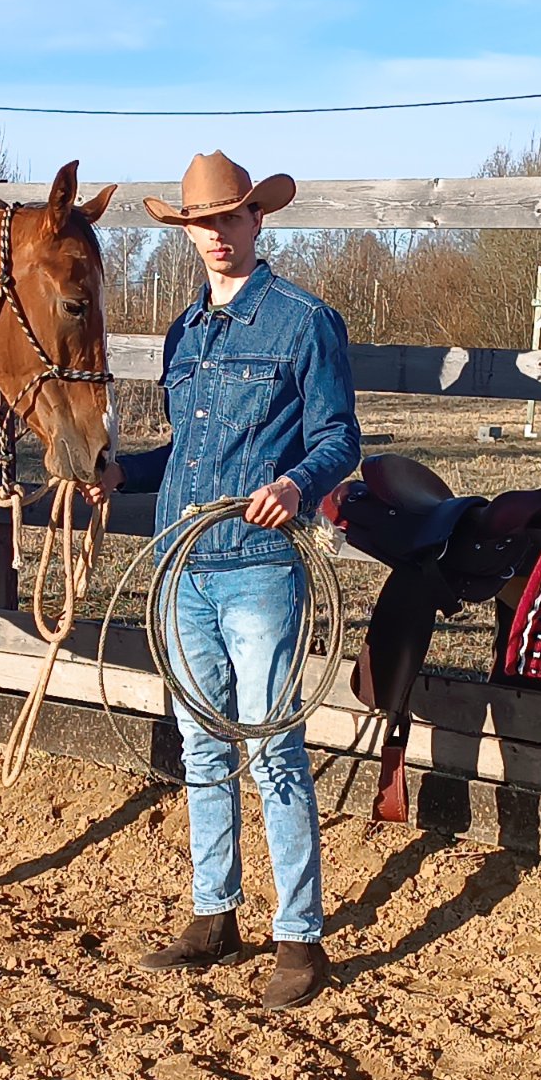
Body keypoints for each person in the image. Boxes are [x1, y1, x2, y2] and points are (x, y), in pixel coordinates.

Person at [83, 150, 360, 1010]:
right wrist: (123, 473)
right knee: (202, 745)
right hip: (182, 563)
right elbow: (187, 451)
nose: (216, 236)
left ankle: (300, 936)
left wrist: (296, 485)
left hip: (259, 567)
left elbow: (340, 438)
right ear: (188, 233)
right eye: (201, 225)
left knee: (272, 747)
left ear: (256, 220)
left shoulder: (304, 322)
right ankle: (214, 914)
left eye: (228, 219)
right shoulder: (185, 332)